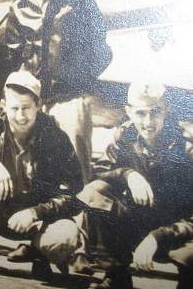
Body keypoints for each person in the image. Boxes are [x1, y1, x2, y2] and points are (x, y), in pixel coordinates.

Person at [3, 0, 112, 271]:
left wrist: (79, 81)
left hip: (69, 98)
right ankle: (41, 245)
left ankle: (81, 248)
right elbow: (11, 56)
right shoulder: (19, 5)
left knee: (78, 171)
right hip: (38, 101)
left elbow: (102, 50)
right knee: (39, 172)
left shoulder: (78, 0)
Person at [0, 69, 84, 279]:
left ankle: (40, 254)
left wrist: (36, 212)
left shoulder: (55, 136)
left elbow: (74, 191)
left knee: (65, 236)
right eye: (14, 108)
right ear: (3, 104)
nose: (21, 116)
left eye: (27, 108)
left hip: (36, 220)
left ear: (39, 105)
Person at [77, 83, 193, 289]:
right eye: (141, 113)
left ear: (166, 109)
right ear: (129, 112)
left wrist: (159, 236)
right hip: (141, 221)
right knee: (94, 191)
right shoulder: (125, 136)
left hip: (181, 230)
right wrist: (128, 174)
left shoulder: (187, 147)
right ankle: (117, 273)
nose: (148, 122)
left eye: (155, 112)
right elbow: (99, 172)